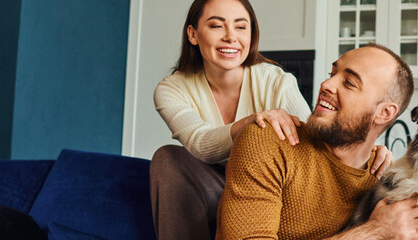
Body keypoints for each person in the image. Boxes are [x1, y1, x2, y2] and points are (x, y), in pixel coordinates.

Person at [149, 0, 393, 239]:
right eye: (216, 25)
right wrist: (249, 123)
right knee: (167, 158)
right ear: (193, 34)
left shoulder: (276, 80)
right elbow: (199, 143)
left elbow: (314, 137)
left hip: (273, 186)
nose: (231, 37)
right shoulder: (171, 89)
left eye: (241, 26)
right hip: (214, 184)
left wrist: (365, 149)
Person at [216, 43, 418, 239]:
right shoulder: (269, 141)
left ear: (384, 113)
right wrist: (372, 232)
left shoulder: (384, 180)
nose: (326, 85)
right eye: (332, 73)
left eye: (349, 83)